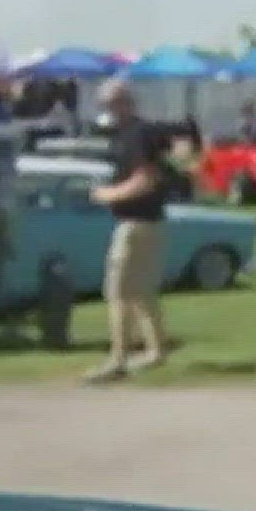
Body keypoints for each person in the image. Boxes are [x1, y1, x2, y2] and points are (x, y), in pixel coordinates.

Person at [83, 80, 171, 383]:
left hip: (136, 222)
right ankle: (156, 350)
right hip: (147, 222)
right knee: (142, 292)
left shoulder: (137, 135)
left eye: (110, 104)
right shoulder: (129, 135)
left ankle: (118, 358)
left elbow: (146, 180)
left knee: (118, 290)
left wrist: (106, 195)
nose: (106, 111)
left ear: (126, 103)